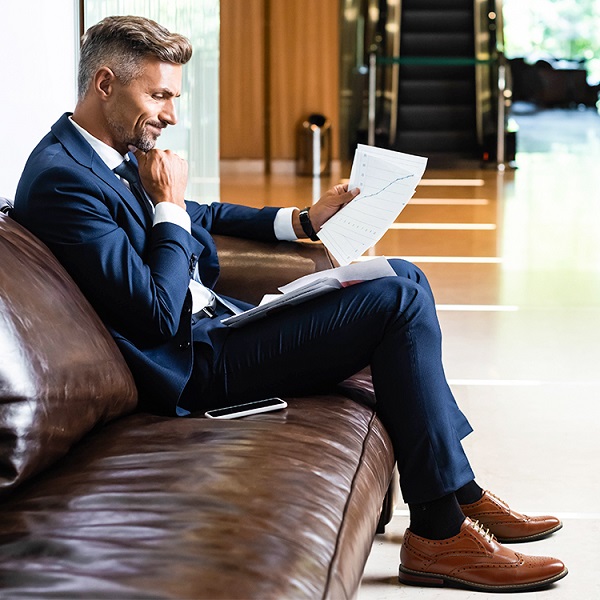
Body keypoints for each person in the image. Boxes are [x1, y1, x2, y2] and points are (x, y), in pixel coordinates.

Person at [11, 15, 567, 593]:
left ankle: (458, 492)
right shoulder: (62, 182)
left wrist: (299, 220)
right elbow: (155, 312)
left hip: (219, 327)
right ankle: (439, 531)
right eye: (159, 95)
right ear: (104, 84)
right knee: (396, 298)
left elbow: (199, 213)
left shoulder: (104, 151)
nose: (171, 114)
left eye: (174, 97)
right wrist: (168, 207)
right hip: (192, 367)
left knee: (403, 275)